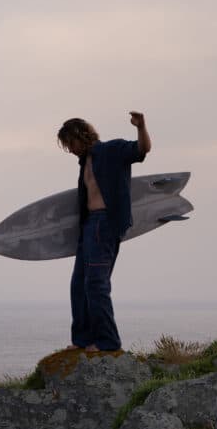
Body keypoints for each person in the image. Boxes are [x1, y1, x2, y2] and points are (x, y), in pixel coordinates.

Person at [57, 112, 151, 351]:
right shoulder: (84, 162)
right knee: (78, 284)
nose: (70, 150)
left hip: (105, 224)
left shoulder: (111, 150)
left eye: (71, 143)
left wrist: (141, 126)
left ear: (81, 135)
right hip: (88, 227)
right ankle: (83, 340)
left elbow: (142, 150)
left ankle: (107, 343)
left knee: (96, 285)